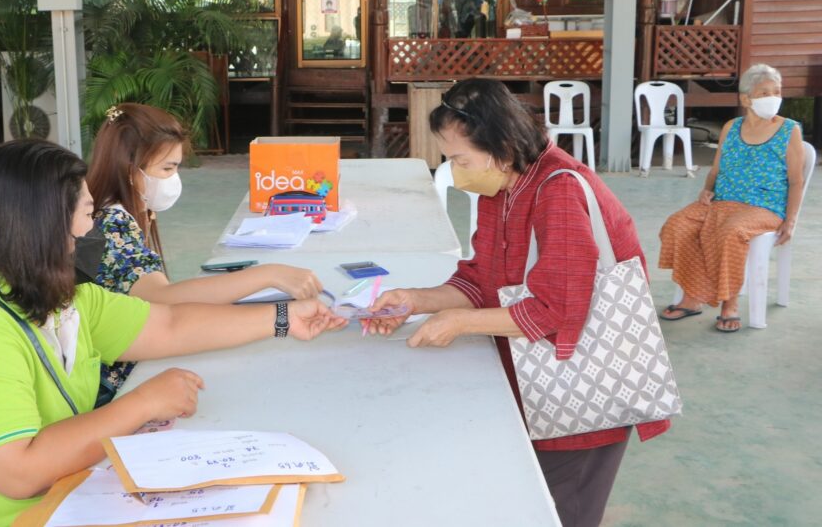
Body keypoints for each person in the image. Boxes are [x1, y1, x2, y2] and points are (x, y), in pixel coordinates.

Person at [0, 139, 346, 526]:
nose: (93, 227)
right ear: (47, 223)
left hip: (61, 504)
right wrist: (142, 404)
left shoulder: (63, 297)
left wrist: (284, 317)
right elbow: (18, 472)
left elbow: (169, 324)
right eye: (87, 212)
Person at [365, 79, 669, 527]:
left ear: (502, 148)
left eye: (461, 160)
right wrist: (416, 300)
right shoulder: (503, 186)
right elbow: (479, 279)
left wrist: (459, 323)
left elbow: (556, 310)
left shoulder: (558, 191)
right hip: (537, 384)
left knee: (562, 511)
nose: (455, 171)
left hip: (581, 398)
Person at [80, 103, 326, 396]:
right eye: (167, 168)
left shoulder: (121, 213)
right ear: (129, 168)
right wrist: (267, 275)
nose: (174, 178)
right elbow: (161, 300)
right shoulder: (113, 223)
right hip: (113, 386)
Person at [658, 64, 804, 332]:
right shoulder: (731, 127)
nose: (773, 98)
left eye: (777, 92)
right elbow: (716, 170)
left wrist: (791, 221)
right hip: (722, 201)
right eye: (764, 93)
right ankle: (692, 297)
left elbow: (796, 181)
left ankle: (730, 303)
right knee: (678, 225)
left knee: (730, 232)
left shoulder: (789, 130)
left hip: (764, 207)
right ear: (746, 99)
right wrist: (707, 190)